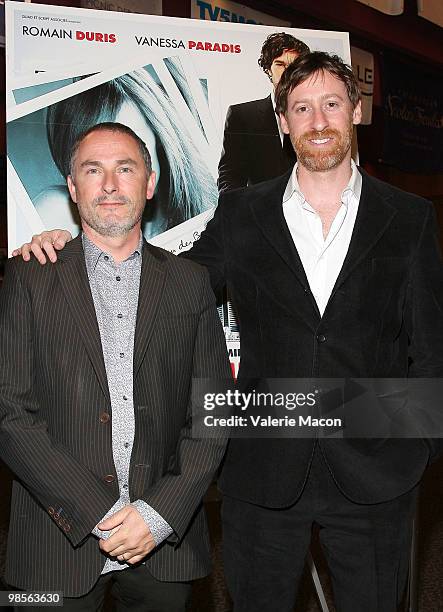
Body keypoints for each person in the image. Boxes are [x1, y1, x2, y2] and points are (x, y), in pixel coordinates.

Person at [13, 52, 443, 611]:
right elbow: (169, 283)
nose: (318, 121)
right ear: (282, 121)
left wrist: (416, 453)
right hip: (262, 472)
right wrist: (68, 249)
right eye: (302, 108)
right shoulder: (242, 211)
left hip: (376, 474)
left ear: (356, 111)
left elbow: (430, 350)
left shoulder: (409, 216)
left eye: (332, 105)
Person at [1, 122, 231, 611]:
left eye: (125, 169)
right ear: (72, 186)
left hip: (164, 545)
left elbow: (211, 414)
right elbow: (10, 414)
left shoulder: (191, 283)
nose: (109, 185)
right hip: (54, 547)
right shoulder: (28, 277)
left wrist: (157, 515)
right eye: (93, 169)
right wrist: (99, 512)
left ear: (149, 184)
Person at [29, 66, 217, 239]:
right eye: (93, 167)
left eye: (130, 153)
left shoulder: (207, 212)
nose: (110, 185)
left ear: (158, 137)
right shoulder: (57, 211)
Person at [217, 32, 309, 193]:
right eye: (280, 64)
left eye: (294, 66)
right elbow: (230, 176)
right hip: (258, 212)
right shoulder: (242, 115)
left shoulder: (316, 117)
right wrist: (237, 213)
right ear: (268, 69)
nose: (287, 72)